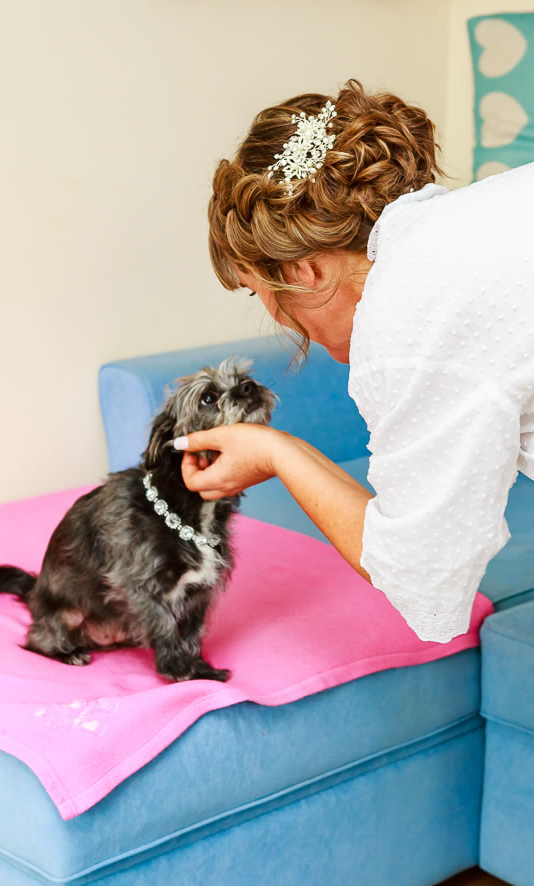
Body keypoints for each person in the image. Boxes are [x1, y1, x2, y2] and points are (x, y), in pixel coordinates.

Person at [175, 79, 534, 644]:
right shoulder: (477, 220)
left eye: (256, 290)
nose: (273, 313)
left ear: (302, 270)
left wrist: (276, 453)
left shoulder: (407, 311)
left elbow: (425, 582)